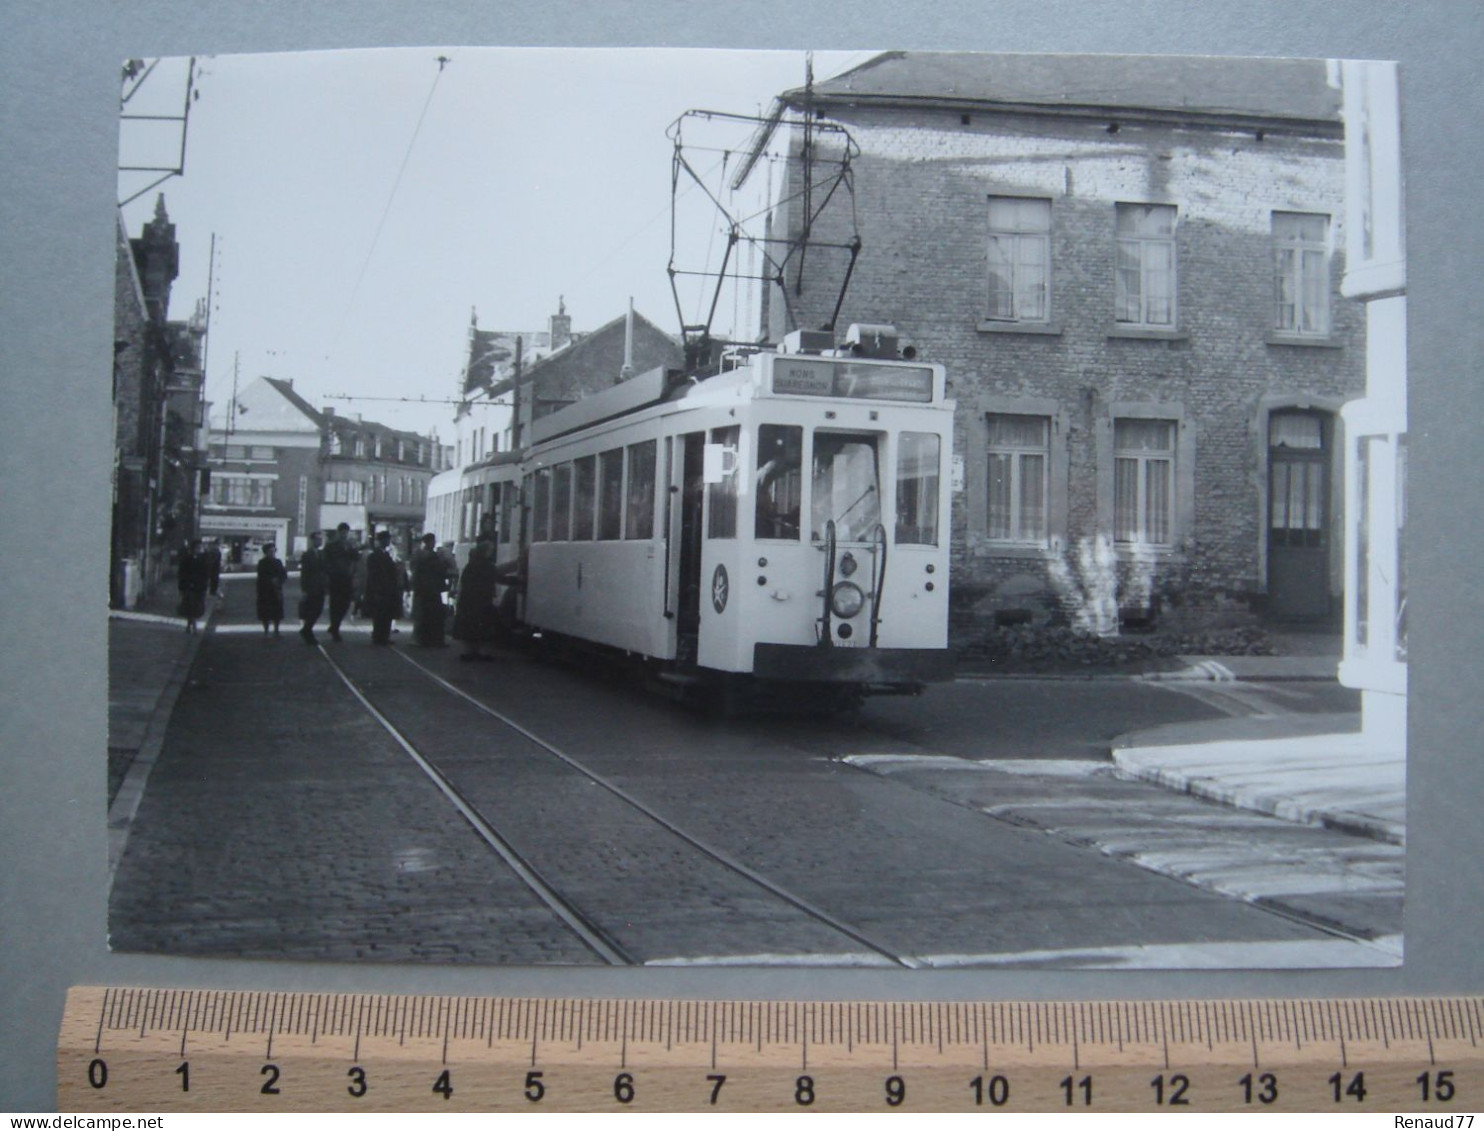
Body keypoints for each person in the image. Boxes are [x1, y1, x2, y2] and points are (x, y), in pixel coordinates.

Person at [452, 540, 499, 661]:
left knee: (471, 626)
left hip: (469, 600)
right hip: (481, 600)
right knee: (481, 625)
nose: (491, 553)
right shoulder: (485, 565)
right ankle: (479, 652)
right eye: (490, 550)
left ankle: (470, 652)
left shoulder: (471, 565)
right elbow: (496, 576)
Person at [361, 530, 404, 645]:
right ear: (381, 541)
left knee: (386, 613)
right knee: (380, 614)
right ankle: (379, 636)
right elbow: (374, 574)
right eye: (386, 539)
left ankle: (383, 636)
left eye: (388, 539)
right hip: (380, 589)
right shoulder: (375, 556)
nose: (388, 541)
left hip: (388, 589)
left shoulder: (386, 554)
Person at [409, 532, 452, 646]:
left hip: (424, 588)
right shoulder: (431, 556)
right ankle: (431, 639)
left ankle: (424, 638)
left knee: (424, 614)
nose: (433, 543)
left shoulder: (419, 555)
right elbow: (441, 569)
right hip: (430, 589)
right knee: (430, 614)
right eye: (432, 541)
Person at [324, 522, 360, 641]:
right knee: (335, 604)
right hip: (336, 578)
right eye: (343, 532)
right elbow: (326, 561)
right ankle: (335, 628)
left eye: (346, 533)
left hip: (347, 577)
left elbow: (356, 557)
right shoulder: (330, 545)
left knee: (345, 603)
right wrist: (329, 574)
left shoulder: (349, 544)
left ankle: (335, 625)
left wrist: (353, 548)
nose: (345, 535)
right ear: (338, 532)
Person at [297, 531, 327, 643]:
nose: (319, 541)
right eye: (317, 539)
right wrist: (304, 589)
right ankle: (307, 631)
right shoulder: (308, 554)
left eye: (320, 539)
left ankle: (307, 630)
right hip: (311, 587)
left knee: (318, 610)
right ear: (312, 540)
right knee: (312, 610)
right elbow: (304, 573)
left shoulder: (322, 553)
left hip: (320, 587)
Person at [176, 539, 208, 634]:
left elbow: (205, 574)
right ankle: (193, 626)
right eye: (198, 548)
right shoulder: (187, 559)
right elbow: (182, 573)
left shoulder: (203, 559)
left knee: (195, 607)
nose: (199, 550)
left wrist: (205, 585)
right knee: (191, 606)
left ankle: (189, 624)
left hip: (199, 587)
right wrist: (181, 587)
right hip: (189, 586)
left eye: (200, 548)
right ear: (193, 549)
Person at [255, 543, 288, 637]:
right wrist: (269, 581)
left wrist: (279, 580)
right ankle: (266, 630)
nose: (272, 553)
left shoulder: (278, 562)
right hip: (265, 591)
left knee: (277, 611)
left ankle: (276, 630)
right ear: (266, 552)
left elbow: (284, 574)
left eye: (273, 551)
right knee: (265, 611)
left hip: (276, 590)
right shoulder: (262, 563)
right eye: (270, 551)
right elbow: (261, 576)